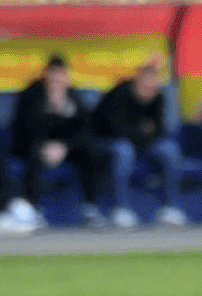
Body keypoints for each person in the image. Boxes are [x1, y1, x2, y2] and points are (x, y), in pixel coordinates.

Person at [8, 55, 108, 229]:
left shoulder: (73, 96)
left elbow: (84, 130)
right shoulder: (31, 94)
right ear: (45, 75)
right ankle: (33, 209)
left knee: (92, 152)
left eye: (60, 75)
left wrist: (65, 146)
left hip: (65, 148)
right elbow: (25, 129)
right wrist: (51, 109)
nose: (56, 80)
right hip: (36, 145)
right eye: (52, 75)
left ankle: (90, 208)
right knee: (33, 155)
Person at [93, 57, 189, 227]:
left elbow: (159, 129)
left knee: (169, 150)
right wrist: (142, 131)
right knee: (124, 150)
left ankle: (170, 207)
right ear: (138, 77)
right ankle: (120, 208)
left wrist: (140, 132)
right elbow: (115, 128)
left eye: (154, 79)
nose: (150, 83)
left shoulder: (157, 97)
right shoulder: (119, 94)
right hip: (106, 142)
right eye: (146, 78)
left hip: (142, 143)